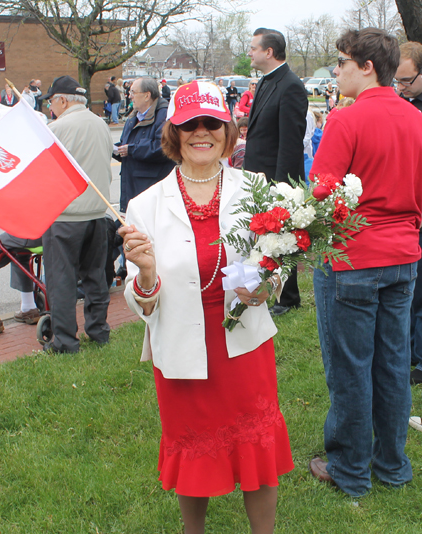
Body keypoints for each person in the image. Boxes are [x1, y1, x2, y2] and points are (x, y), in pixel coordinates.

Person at [119, 81, 293, 534]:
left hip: (244, 344)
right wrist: (146, 275)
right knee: (193, 450)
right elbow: (140, 302)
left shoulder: (256, 189)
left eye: (211, 123)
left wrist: (269, 283)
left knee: (256, 448)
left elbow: (280, 257)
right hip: (181, 347)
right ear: (173, 132)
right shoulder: (145, 206)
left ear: (227, 130)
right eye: (189, 123)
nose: (202, 132)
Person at [308, 28, 422, 497]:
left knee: (351, 365)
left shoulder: (345, 119)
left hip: (353, 256)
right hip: (403, 256)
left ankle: (351, 470)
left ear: (367, 66)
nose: (337, 71)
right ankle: (392, 465)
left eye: (341, 62)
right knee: (393, 362)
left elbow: (320, 190)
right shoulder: (416, 119)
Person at [39, 75, 113, 352]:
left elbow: (45, 173)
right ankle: (99, 331)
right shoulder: (101, 124)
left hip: (66, 216)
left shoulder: (57, 128)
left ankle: (66, 341)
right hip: (97, 212)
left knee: (62, 281)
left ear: (62, 100)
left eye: (51, 102)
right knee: (96, 277)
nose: (50, 107)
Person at [244, 27, 308, 317]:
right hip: (258, 176)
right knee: (264, 240)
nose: (249, 53)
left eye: (254, 48)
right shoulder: (266, 82)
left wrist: (281, 188)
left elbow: (291, 142)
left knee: (283, 238)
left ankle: (288, 298)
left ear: (269, 52)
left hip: (276, 179)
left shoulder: (290, 85)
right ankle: (267, 289)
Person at [395, 42, 422, 387]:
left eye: (406, 81)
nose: (400, 88)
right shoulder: (403, 107)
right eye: (396, 82)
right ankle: (411, 352)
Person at [114, 77, 175, 213]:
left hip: (150, 187)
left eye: (133, 92)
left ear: (147, 95)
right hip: (133, 185)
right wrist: (116, 149)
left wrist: (131, 149)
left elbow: (163, 147)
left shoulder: (164, 116)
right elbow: (128, 144)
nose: (130, 96)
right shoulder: (134, 117)